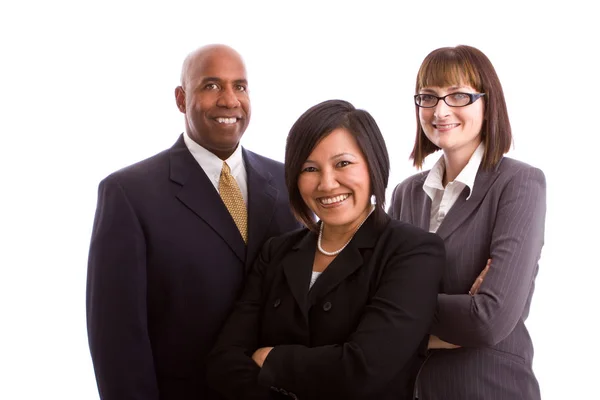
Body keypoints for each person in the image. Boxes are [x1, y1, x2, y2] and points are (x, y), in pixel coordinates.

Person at [86, 44, 300, 400]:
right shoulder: (129, 194)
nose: (230, 100)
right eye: (211, 86)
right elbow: (117, 339)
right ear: (181, 98)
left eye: (240, 86)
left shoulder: (288, 182)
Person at [206, 99, 446, 400]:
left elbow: (363, 369)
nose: (327, 184)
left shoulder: (412, 251)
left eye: (343, 163)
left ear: (374, 164)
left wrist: (272, 359)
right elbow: (224, 362)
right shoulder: (276, 253)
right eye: (310, 168)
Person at [388, 45, 546, 399]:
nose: (440, 110)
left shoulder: (519, 184)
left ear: (488, 104)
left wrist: (401, 310)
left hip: (487, 389)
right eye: (428, 97)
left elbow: (489, 319)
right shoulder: (405, 193)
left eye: (458, 95)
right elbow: (371, 310)